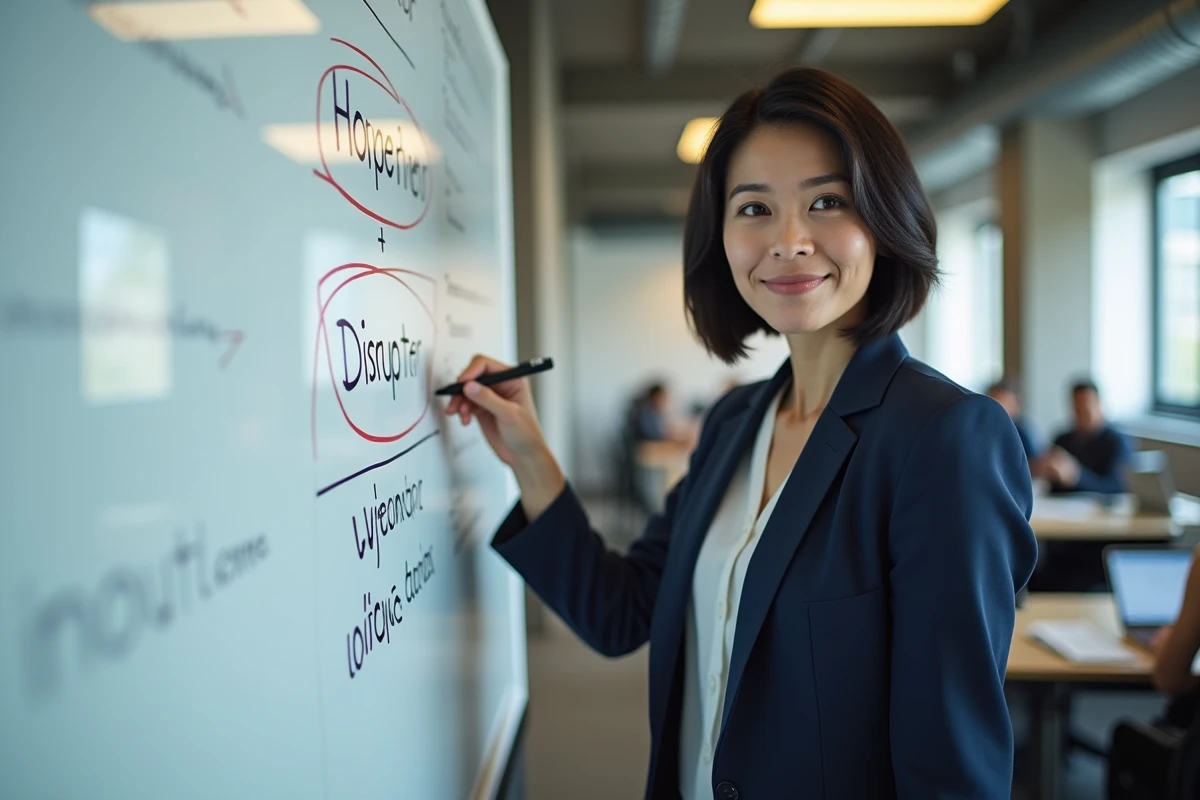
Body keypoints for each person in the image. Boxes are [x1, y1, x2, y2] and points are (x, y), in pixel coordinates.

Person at [444, 67, 1037, 799]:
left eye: (827, 202)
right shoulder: (734, 421)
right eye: (754, 208)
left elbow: (951, 768)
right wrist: (529, 456)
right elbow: (623, 611)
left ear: (883, 220)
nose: (788, 241)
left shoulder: (944, 439)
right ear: (719, 236)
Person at [1033, 379, 1132, 494]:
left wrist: (1076, 476)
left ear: (1099, 405)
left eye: (1086, 410)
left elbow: (1118, 487)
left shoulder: (1117, 442)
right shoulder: (1062, 440)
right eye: (1077, 410)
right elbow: (1053, 488)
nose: (1081, 415)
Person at [985, 378, 1043, 462]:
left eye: (1004, 401)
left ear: (1016, 404)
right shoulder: (984, 432)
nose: (1000, 408)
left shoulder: (1023, 432)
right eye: (995, 401)